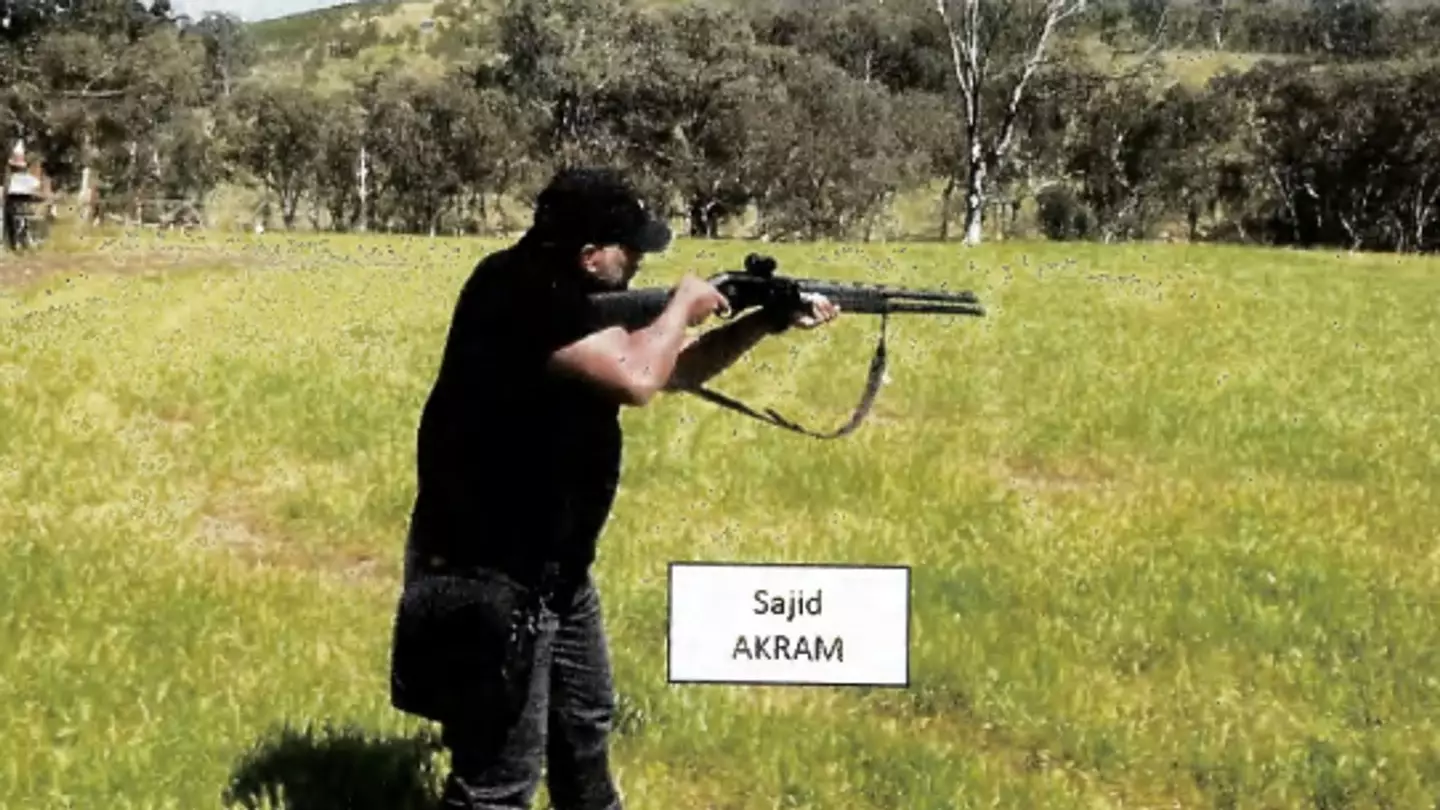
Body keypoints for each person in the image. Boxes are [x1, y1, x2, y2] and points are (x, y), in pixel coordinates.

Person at [388, 166, 839, 810]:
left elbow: (671, 368)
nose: (635, 263)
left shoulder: (566, 292)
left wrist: (758, 322)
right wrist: (684, 304)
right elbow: (637, 380)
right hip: (492, 569)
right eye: (627, 251)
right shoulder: (520, 294)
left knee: (583, 730)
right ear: (588, 253)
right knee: (500, 777)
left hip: (558, 568)